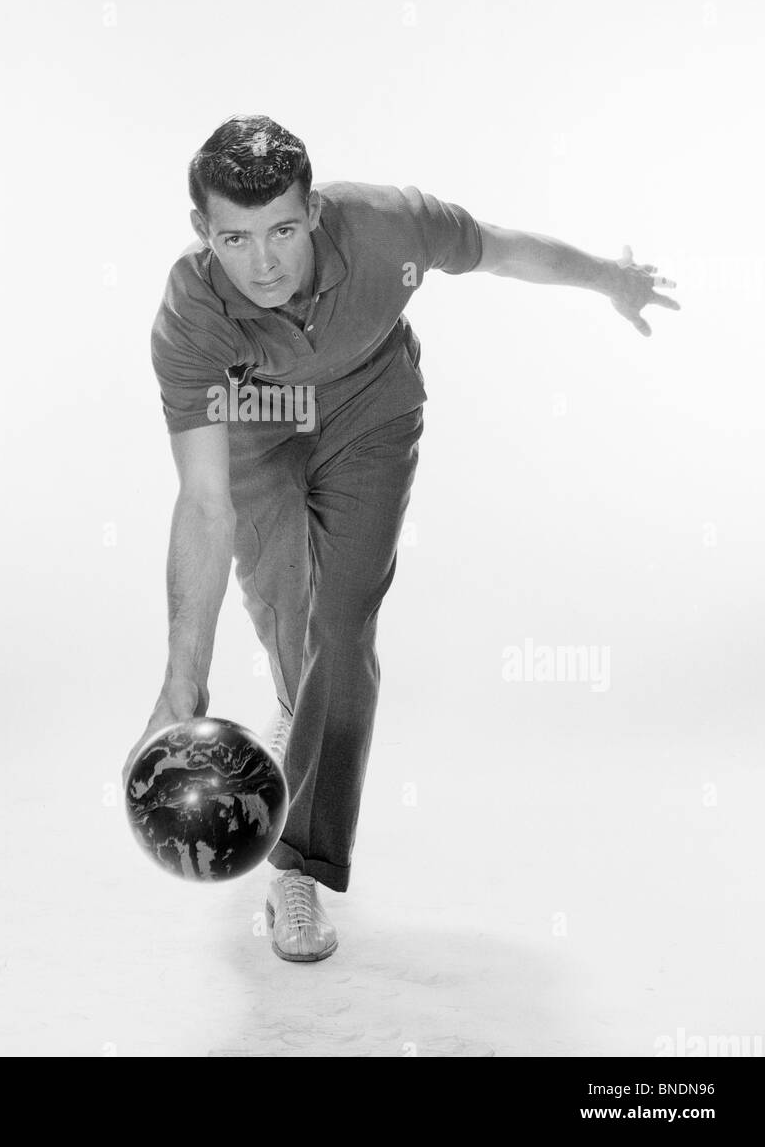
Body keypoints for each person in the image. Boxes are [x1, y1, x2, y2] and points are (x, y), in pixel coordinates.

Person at [122, 113, 679, 963]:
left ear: (312, 211)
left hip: (370, 410)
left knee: (339, 628)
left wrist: (611, 277)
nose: (263, 262)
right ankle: (291, 697)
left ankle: (297, 866)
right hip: (258, 427)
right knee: (287, 618)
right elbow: (203, 503)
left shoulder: (388, 226)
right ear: (203, 230)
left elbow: (499, 246)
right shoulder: (191, 314)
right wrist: (180, 685)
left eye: (281, 229)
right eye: (235, 238)